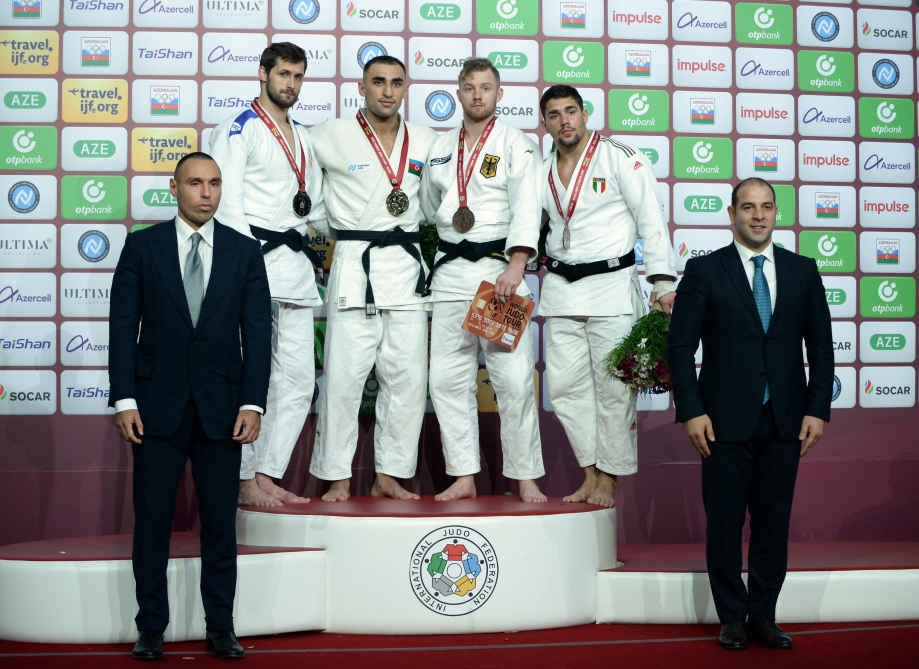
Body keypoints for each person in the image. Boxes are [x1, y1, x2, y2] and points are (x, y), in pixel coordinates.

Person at [109, 153, 272, 660]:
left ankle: (220, 625)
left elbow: (259, 335)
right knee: (152, 521)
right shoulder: (143, 248)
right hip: (154, 406)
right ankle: (150, 626)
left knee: (221, 524)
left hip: (223, 408)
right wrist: (125, 397)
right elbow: (121, 329)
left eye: (215, 184)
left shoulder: (245, 253)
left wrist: (253, 402)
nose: (207, 193)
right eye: (196, 183)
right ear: (174, 187)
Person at [668, 178, 834, 651]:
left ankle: (763, 615)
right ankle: (731, 618)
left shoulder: (803, 270)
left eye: (765, 207)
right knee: (723, 523)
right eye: (748, 207)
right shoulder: (704, 271)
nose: (757, 216)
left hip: (785, 419)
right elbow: (681, 348)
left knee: (772, 522)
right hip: (719, 421)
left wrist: (817, 409)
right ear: (732, 213)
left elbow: (821, 348)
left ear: (776, 213)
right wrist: (691, 411)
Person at [538, 85, 678, 508]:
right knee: (564, 388)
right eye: (555, 114)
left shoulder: (621, 157)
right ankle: (590, 473)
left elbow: (651, 217)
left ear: (584, 114)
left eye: (571, 111)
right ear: (544, 123)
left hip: (612, 288)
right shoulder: (540, 169)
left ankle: (609, 481)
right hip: (561, 290)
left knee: (614, 391)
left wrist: (662, 281)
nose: (564, 121)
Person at [306, 56, 437, 502]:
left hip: (404, 268)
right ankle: (336, 475)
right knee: (343, 379)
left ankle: (390, 474)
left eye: (396, 83)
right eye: (377, 82)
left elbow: (439, 201)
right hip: (354, 262)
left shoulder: (426, 139)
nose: (387, 90)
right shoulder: (328, 134)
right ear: (360, 87)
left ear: (406, 88)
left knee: (406, 379)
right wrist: (339, 232)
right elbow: (302, 190)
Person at [419, 58, 545, 503]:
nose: (477, 95)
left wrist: (517, 264)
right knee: (447, 383)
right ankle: (464, 474)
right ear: (458, 93)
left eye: (486, 88)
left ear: (499, 94)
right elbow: (430, 204)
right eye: (469, 87)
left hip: (498, 277)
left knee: (512, 382)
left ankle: (526, 476)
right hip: (452, 275)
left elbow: (528, 206)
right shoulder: (438, 147)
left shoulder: (517, 144)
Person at [209, 42, 325, 508]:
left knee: (297, 379)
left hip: (295, 270)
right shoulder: (238, 130)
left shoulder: (303, 136)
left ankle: (265, 472)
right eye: (283, 75)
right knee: (252, 378)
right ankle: (240, 479)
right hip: (252, 266)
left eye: (298, 76)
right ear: (262, 74)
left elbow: (314, 208)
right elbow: (226, 205)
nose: (291, 84)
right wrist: (242, 271)